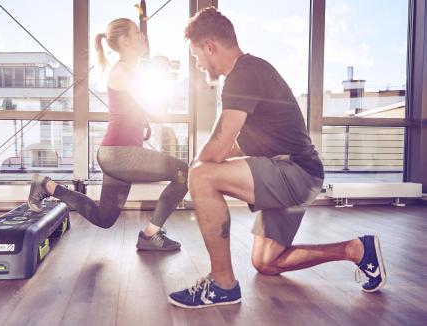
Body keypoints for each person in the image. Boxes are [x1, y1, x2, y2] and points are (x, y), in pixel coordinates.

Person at [168, 7, 386, 308]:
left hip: (293, 172)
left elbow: (218, 150)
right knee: (266, 262)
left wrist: (193, 172)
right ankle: (356, 250)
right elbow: (234, 146)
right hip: (300, 173)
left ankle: (222, 284)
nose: (199, 64)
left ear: (209, 46)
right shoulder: (250, 71)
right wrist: (201, 165)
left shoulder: (243, 74)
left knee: (201, 176)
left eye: (196, 56)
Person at [27, 18, 188, 251]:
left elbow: (143, 109)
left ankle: (47, 186)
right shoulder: (124, 71)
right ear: (124, 40)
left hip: (116, 154)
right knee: (184, 173)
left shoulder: (130, 71)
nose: (143, 36)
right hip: (121, 154)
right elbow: (158, 112)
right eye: (137, 32)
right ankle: (150, 234)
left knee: (104, 218)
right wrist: (167, 77)